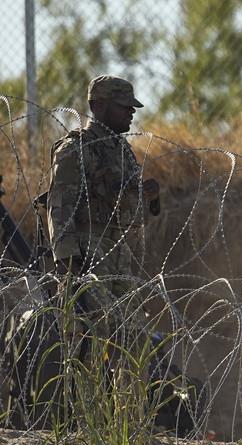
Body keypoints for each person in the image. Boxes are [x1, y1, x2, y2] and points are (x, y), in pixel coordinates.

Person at [44, 74, 160, 343]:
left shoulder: (121, 150)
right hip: (88, 255)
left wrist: (147, 197)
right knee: (94, 340)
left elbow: (131, 216)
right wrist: (69, 266)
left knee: (133, 340)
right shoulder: (75, 148)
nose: (131, 111)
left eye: (132, 106)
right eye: (123, 105)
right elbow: (60, 209)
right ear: (98, 105)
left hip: (118, 253)